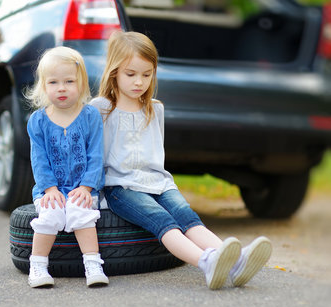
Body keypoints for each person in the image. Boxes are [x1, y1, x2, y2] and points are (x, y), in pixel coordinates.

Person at [90, 31, 272, 290]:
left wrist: (163, 182)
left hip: (159, 182)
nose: (139, 82)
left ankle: (236, 261)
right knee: (162, 220)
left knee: (187, 217)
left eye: (147, 74)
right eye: (131, 74)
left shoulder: (155, 108)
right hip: (121, 187)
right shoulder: (100, 108)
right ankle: (207, 262)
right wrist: (90, 193)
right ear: (114, 72)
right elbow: (91, 154)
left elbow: (155, 153)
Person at [24, 46, 109, 288]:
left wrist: (86, 187)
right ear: (43, 86)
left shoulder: (90, 116)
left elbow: (95, 155)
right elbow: (38, 160)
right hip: (50, 188)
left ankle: (92, 263)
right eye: (53, 82)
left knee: (81, 213)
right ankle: (38, 266)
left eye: (69, 81)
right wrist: (49, 189)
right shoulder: (38, 121)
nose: (61, 88)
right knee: (50, 215)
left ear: (81, 84)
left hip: (84, 186)